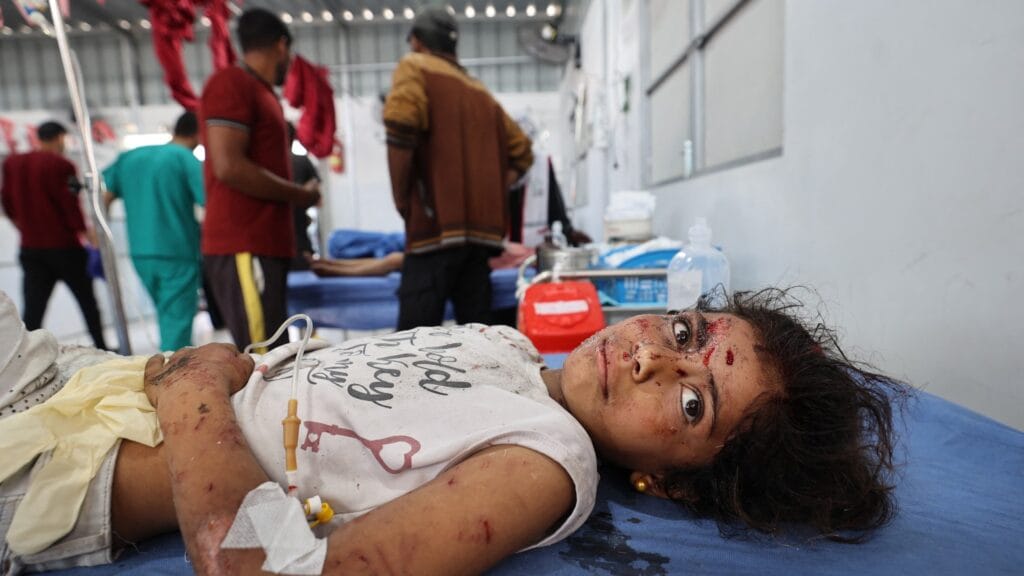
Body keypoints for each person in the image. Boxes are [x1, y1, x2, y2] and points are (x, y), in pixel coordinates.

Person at [0, 287, 903, 573]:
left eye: (693, 403)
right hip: (80, 376)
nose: (650, 358)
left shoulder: (546, 460)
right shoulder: (504, 345)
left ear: (666, 482)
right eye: (685, 331)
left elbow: (260, 569)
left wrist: (196, 392)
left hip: (53, 465)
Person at [384, 6, 534, 330]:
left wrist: (402, 199)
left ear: (417, 41)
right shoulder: (482, 94)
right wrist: (492, 193)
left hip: (433, 233)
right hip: (479, 242)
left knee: (412, 344)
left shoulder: (414, 66)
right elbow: (522, 152)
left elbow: (400, 125)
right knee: (477, 339)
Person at [200, 8, 320, 351]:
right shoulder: (232, 84)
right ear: (282, 46)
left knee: (275, 351)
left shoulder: (260, 92)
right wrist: (299, 195)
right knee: (263, 358)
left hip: (261, 246)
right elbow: (228, 166)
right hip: (244, 244)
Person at [0, 121, 109, 350]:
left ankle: (26, 357)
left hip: (31, 249)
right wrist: (86, 233)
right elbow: (69, 205)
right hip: (65, 247)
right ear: (60, 138)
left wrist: (24, 228)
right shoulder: (61, 165)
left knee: (34, 309)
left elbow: (7, 202)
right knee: (87, 303)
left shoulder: (13, 164)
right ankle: (101, 346)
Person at [103, 111, 205, 351]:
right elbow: (209, 201)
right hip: (176, 251)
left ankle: (180, 358)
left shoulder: (131, 157)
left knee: (167, 313)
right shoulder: (184, 158)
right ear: (199, 134)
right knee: (176, 319)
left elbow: (104, 195)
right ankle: (173, 367)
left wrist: (97, 231)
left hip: (141, 252)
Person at [287, 122, 321, 271]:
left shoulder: (262, 166)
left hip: (272, 248)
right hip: (300, 245)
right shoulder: (302, 161)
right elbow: (318, 201)